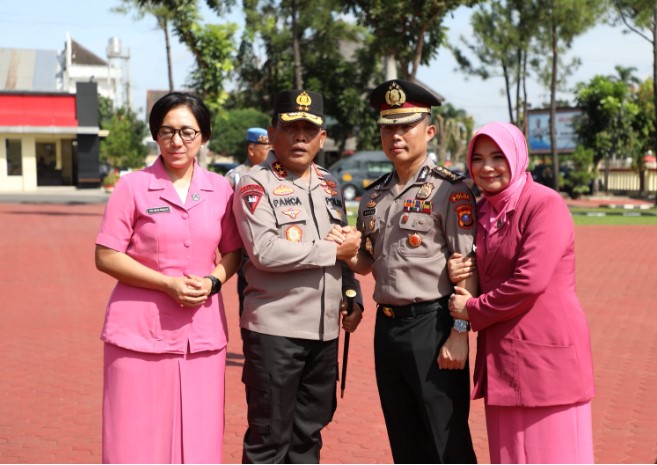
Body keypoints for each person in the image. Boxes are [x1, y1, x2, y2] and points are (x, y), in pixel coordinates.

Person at [95, 92, 242, 463]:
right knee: (133, 438)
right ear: (155, 136)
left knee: (199, 436)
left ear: (204, 137)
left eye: (187, 132)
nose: (177, 141)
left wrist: (213, 282)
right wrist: (166, 283)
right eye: (167, 131)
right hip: (138, 333)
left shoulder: (220, 190)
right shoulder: (132, 187)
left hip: (201, 335)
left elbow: (233, 252)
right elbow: (106, 255)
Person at [339, 79, 478, 463]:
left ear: (429, 131)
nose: (395, 135)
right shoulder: (373, 197)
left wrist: (461, 334)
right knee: (404, 438)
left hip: (433, 327)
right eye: (388, 127)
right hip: (388, 329)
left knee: (445, 439)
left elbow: (467, 268)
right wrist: (346, 253)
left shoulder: (451, 191)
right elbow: (368, 262)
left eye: (406, 125)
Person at [448, 121, 595, 463]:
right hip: (502, 359)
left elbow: (530, 281)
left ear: (517, 156)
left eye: (497, 156)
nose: (486, 167)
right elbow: (480, 272)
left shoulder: (544, 204)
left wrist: (472, 309)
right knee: (511, 455)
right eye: (478, 158)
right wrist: (460, 271)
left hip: (546, 359)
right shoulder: (481, 211)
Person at [232, 89, 365, 463]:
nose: (300, 138)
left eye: (309, 130)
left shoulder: (329, 184)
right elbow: (265, 250)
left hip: (323, 334)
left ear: (322, 139)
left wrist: (352, 294)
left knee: (309, 434)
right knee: (270, 439)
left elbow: (340, 247)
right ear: (273, 133)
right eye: (291, 129)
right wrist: (330, 250)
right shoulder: (255, 184)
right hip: (276, 332)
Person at [225, 127, 271, 317]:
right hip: (246, 253)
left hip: (272, 249)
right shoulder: (235, 177)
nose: (271, 151)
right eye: (267, 147)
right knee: (248, 303)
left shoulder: (276, 173)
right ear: (252, 149)